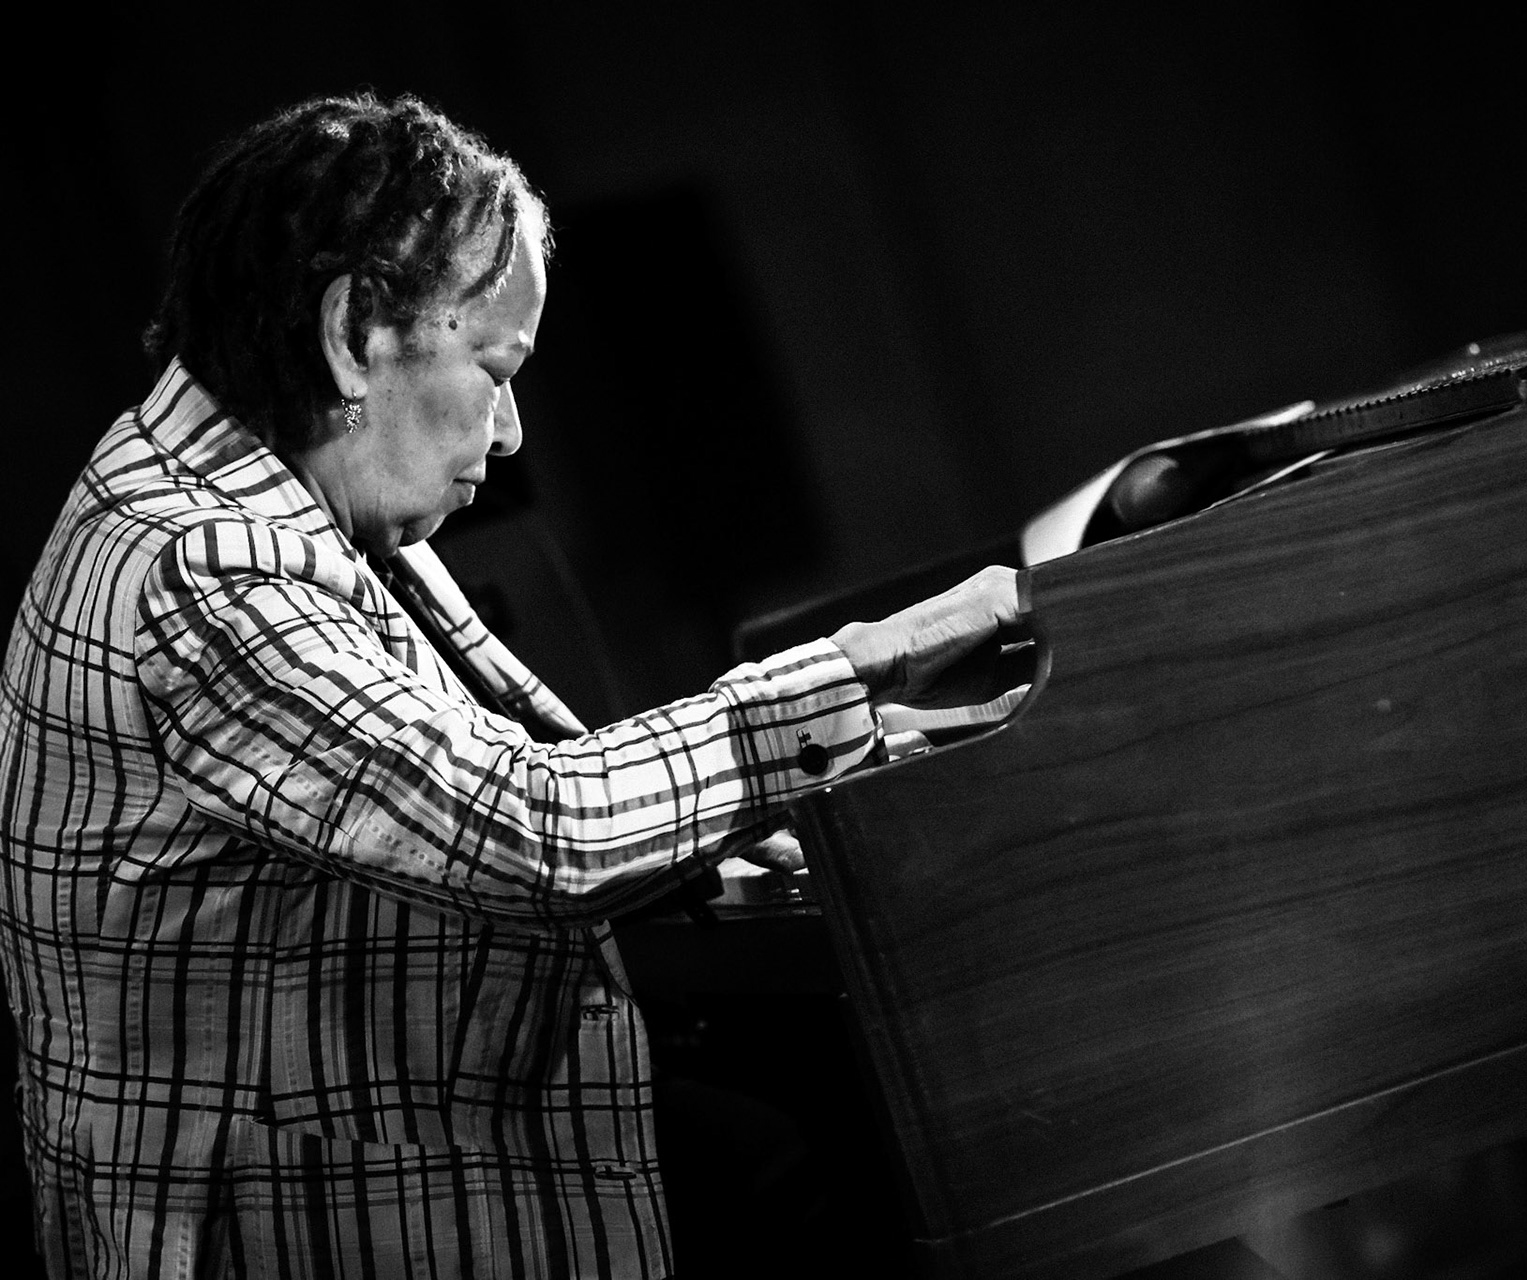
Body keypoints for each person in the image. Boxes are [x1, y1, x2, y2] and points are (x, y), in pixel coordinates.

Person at [0, 92, 1020, 1279]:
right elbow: (532, 827)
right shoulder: (201, 566)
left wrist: (734, 821)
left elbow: (481, 776)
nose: (517, 429)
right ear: (352, 333)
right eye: (496, 365)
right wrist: (850, 672)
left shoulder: (263, 482)